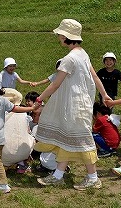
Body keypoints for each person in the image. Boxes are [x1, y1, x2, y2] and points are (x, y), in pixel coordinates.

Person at [33, 19, 111, 191]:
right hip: (80, 104)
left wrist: (39, 99)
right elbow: (95, 77)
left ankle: (93, 178)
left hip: (74, 107)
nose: (58, 37)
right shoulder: (83, 54)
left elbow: (55, 84)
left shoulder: (69, 59)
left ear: (66, 36)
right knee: (66, 139)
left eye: (60, 34)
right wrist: (104, 94)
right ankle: (58, 175)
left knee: (84, 142)